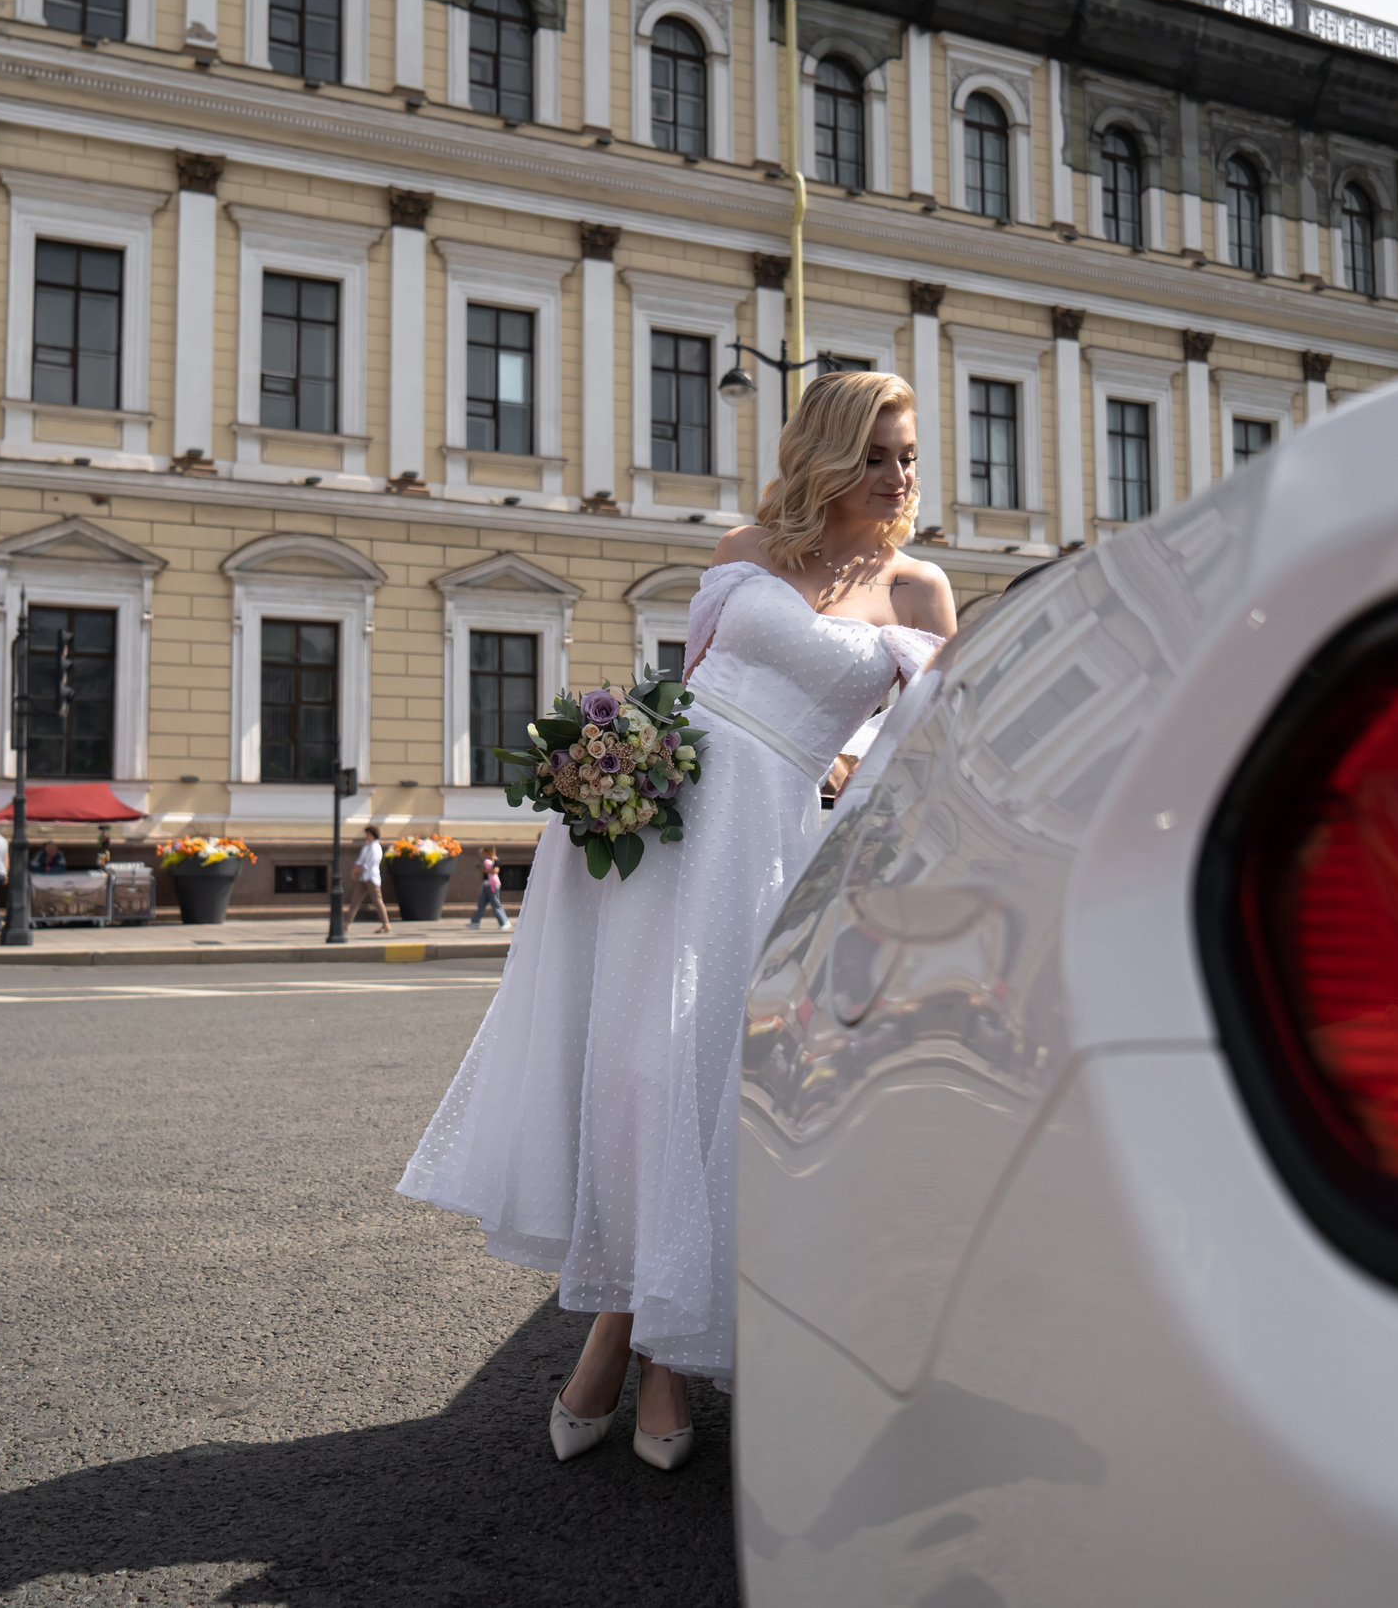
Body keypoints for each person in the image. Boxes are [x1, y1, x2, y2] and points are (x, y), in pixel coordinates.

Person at [398, 372, 954, 1471]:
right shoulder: (742, 552)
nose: (899, 476)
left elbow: (920, 758)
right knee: (637, 1071)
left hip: (771, 846)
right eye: (879, 454)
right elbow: (687, 688)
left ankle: (638, 1348)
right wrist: (606, 770)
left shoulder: (918, 592)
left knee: (701, 1077)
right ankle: (633, 1329)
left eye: (908, 456)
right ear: (828, 455)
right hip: (657, 833)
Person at [351, 827, 392, 936]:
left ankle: (386, 924)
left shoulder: (376, 848)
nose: (366, 836)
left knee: (377, 901)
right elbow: (360, 860)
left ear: (373, 835)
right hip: (364, 877)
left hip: (372, 878)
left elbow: (369, 864)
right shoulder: (366, 847)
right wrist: (356, 867)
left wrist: (356, 870)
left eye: (368, 834)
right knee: (355, 900)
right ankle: (347, 924)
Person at [469, 848, 510, 931]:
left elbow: (495, 871)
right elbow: (483, 873)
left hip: (493, 885)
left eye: (486, 854)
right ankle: (475, 922)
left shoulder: (495, 861)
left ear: (490, 852)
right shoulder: (486, 861)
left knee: (495, 904)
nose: (485, 856)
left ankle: (504, 922)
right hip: (486, 884)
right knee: (481, 904)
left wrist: (485, 870)